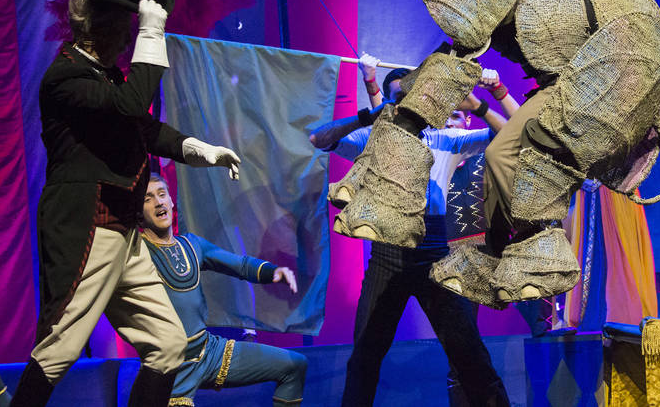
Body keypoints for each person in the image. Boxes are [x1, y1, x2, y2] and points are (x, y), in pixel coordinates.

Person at [12, 0, 241, 407]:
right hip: (88, 227)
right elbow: (133, 104)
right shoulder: (67, 77)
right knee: (59, 350)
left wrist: (199, 150)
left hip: (123, 229)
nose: (128, 38)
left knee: (168, 346)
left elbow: (144, 126)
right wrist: (152, 34)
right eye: (125, 28)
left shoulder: (105, 74)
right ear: (104, 29)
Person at [310, 60, 514, 407]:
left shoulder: (443, 138)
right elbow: (319, 138)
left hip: (434, 252)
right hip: (388, 256)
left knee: (470, 357)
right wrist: (367, 116)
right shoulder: (373, 139)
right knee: (364, 357)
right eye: (397, 100)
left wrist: (480, 104)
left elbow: (508, 135)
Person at [139, 174, 307, 406]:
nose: (158, 202)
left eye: (161, 194)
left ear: (171, 201)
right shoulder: (137, 255)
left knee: (294, 365)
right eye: (148, 198)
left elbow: (240, 265)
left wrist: (273, 272)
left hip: (210, 352)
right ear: (138, 211)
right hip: (172, 369)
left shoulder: (192, 245)